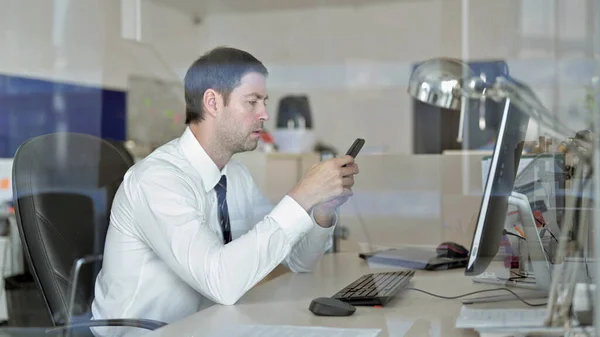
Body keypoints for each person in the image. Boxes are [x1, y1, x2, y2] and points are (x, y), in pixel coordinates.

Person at [90, 46, 359, 335]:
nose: (265, 114)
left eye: (264, 102)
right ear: (212, 102)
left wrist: (320, 209)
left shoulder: (236, 176)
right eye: (252, 102)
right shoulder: (157, 180)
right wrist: (302, 195)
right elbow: (221, 282)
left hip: (207, 328)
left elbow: (298, 261)